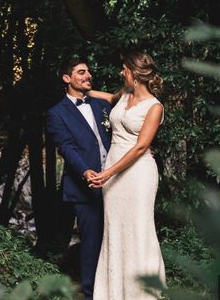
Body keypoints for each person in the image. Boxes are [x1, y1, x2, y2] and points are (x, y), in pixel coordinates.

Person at [87, 51, 167, 300]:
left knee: (138, 229)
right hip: (113, 171)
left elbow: (141, 147)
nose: (121, 72)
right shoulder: (125, 94)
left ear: (135, 74)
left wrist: (107, 173)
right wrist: (81, 93)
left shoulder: (154, 107)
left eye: (124, 69)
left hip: (137, 174)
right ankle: (113, 293)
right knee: (115, 229)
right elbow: (110, 98)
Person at [45, 58, 113, 300]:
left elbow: (123, 104)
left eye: (89, 72)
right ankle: (91, 293)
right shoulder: (56, 113)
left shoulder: (101, 105)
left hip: (116, 182)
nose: (88, 75)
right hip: (85, 187)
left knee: (117, 239)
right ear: (66, 78)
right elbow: (66, 147)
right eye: (81, 72)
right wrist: (85, 171)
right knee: (92, 244)